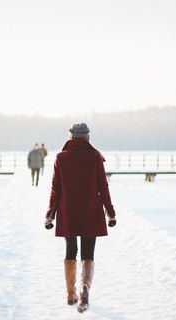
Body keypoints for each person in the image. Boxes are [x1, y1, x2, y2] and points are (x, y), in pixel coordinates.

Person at [44, 123, 116, 313]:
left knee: (70, 251)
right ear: (87, 138)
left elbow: (55, 189)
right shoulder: (95, 157)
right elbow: (103, 187)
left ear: (71, 137)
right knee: (88, 253)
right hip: (91, 211)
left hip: (68, 211)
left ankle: (70, 293)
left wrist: (50, 214)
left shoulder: (61, 157)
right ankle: (85, 289)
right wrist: (111, 212)